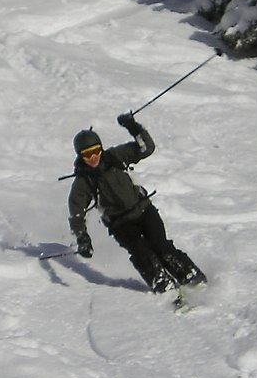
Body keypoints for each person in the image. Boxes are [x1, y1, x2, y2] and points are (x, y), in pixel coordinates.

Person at [67, 113, 206, 293]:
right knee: (142, 252)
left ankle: (190, 276)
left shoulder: (116, 156)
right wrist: (82, 237)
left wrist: (133, 127)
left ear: (101, 148)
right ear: (80, 156)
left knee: (161, 246)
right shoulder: (83, 181)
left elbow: (146, 148)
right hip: (120, 223)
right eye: (87, 155)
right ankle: (162, 284)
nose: (93, 157)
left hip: (143, 210)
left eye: (96, 151)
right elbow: (76, 212)